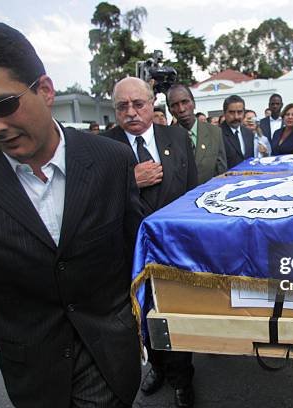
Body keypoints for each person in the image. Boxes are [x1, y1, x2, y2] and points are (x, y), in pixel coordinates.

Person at [0, 21, 143, 408]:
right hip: (33, 375)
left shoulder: (111, 160)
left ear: (45, 90)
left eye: (2, 106)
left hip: (111, 361)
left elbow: (136, 255)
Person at [102, 77, 198, 408]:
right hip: (130, 254)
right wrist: (130, 181)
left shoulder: (177, 137)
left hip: (174, 251)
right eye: (122, 106)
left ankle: (183, 379)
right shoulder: (102, 147)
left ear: (152, 103)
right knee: (144, 315)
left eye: (138, 104)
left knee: (176, 314)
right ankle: (156, 368)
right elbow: (92, 202)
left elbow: (192, 192)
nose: (131, 112)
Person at [167, 84, 227, 185]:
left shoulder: (215, 132)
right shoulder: (166, 137)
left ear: (194, 103)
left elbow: (222, 172)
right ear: (169, 110)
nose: (181, 109)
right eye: (175, 105)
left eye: (185, 102)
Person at [220, 95, 254, 169]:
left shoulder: (249, 133)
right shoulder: (217, 134)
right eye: (231, 112)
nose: (236, 117)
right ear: (224, 113)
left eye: (239, 112)